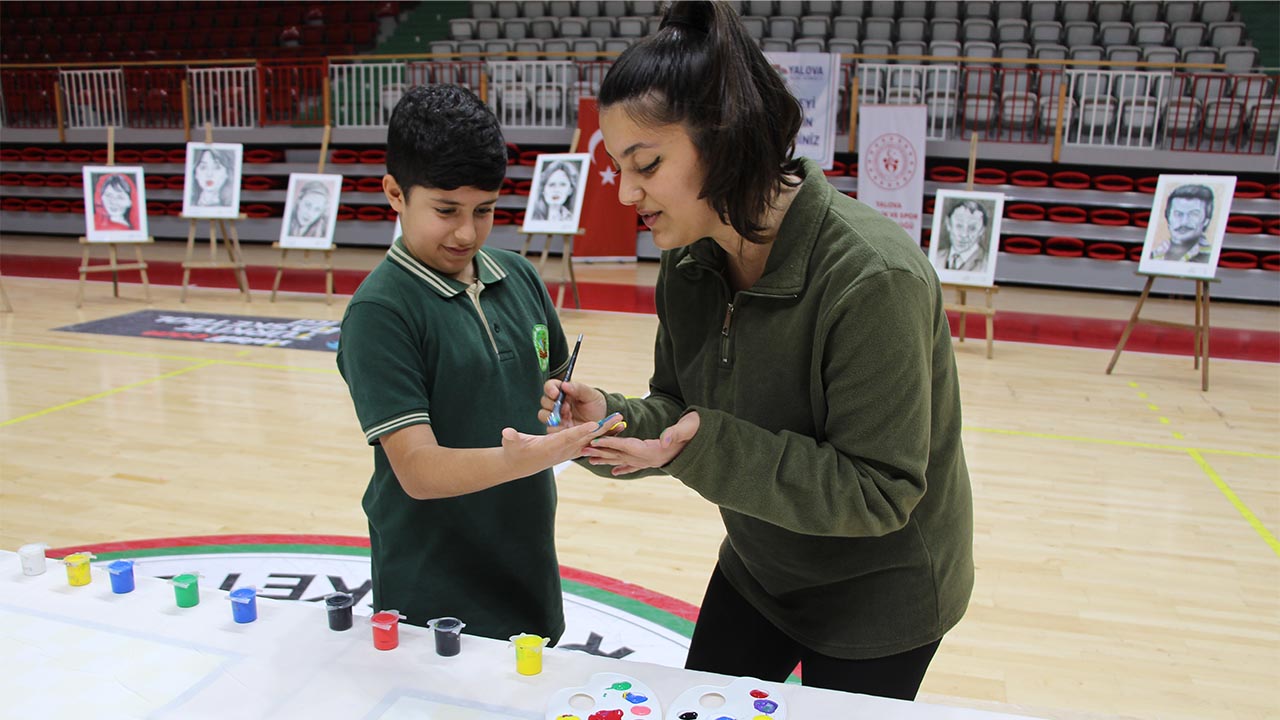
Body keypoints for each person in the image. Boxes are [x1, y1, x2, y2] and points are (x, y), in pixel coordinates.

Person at [540, 1, 973, 701]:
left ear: (726, 140)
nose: (626, 193)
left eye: (646, 163)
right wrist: (611, 420)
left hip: (881, 597)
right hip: (760, 568)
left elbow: (880, 490)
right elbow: (678, 408)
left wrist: (693, 447)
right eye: (619, 167)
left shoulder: (872, 279)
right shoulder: (688, 263)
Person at [336, 84, 618, 643]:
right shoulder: (380, 311)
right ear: (394, 192)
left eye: (484, 210)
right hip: (432, 581)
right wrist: (523, 459)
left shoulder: (522, 277)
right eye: (445, 210)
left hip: (525, 557)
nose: (466, 232)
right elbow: (417, 471)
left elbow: (554, 392)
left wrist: (573, 417)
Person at [1149, 183, 1214, 263]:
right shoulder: (1152, 255)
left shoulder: (1211, 258)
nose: (1184, 222)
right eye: (1178, 214)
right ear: (1168, 218)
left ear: (1206, 221)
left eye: (1193, 214)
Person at [940, 199, 990, 272]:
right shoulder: (935, 258)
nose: (964, 235)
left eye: (972, 228)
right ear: (948, 224)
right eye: (959, 226)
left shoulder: (987, 264)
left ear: (981, 230)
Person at [530, 159, 580, 224]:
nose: (556, 190)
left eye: (562, 185)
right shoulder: (533, 217)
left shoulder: (573, 220)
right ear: (543, 189)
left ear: (570, 190)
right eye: (551, 185)